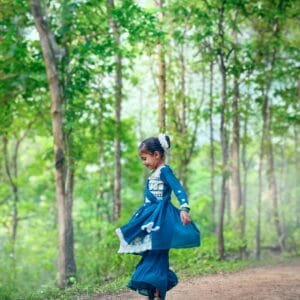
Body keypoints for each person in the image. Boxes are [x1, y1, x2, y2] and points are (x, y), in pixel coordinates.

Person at [116, 134, 200, 300]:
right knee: (151, 252)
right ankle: (154, 290)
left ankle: (158, 292)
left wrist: (184, 208)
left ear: (156, 155)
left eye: (144, 158)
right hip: (151, 217)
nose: (144, 163)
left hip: (162, 219)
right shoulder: (153, 173)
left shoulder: (165, 171)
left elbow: (178, 189)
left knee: (158, 253)